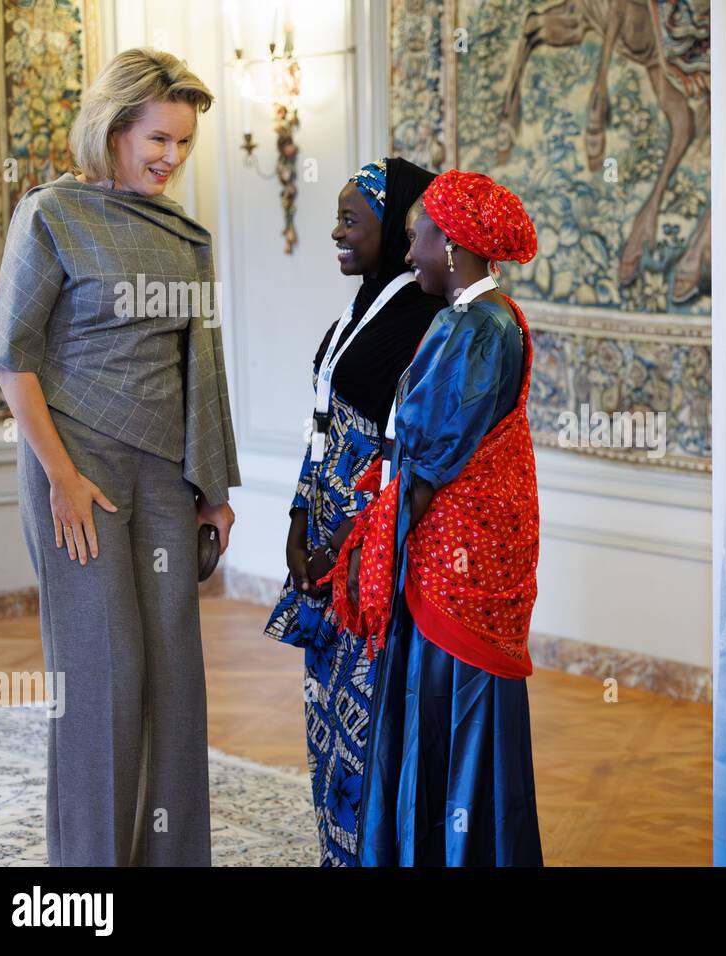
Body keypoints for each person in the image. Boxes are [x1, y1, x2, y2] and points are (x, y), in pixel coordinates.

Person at [0, 48, 239, 866]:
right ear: (114, 129)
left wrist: (214, 489)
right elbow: (10, 357)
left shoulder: (186, 237)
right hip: (76, 468)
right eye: (158, 139)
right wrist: (59, 479)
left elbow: (205, 362)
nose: (170, 158)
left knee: (172, 682)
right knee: (104, 681)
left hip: (165, 474)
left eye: (184, 144)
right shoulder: (51, 215)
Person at [324, 169, 544, 866]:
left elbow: (429, 461)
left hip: (453, 564)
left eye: (419, 236)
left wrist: (369, 541)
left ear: (450, 246)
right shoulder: (482, 318)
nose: (411, 250)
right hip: (451, 554)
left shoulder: (475, 327)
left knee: (442, 710)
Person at [263, 158, 443, 866]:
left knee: (370, 718)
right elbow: (320, 428)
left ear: (399, 231)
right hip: (321, 540)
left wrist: (343, 538)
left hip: (371, 550)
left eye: (351, 221)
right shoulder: (361, 309)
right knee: (324, 708)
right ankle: (335, 851)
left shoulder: (426, 323)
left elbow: (411, 457)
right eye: (337, 217)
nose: (335, 233)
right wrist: (296, 524)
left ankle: (372, 852)